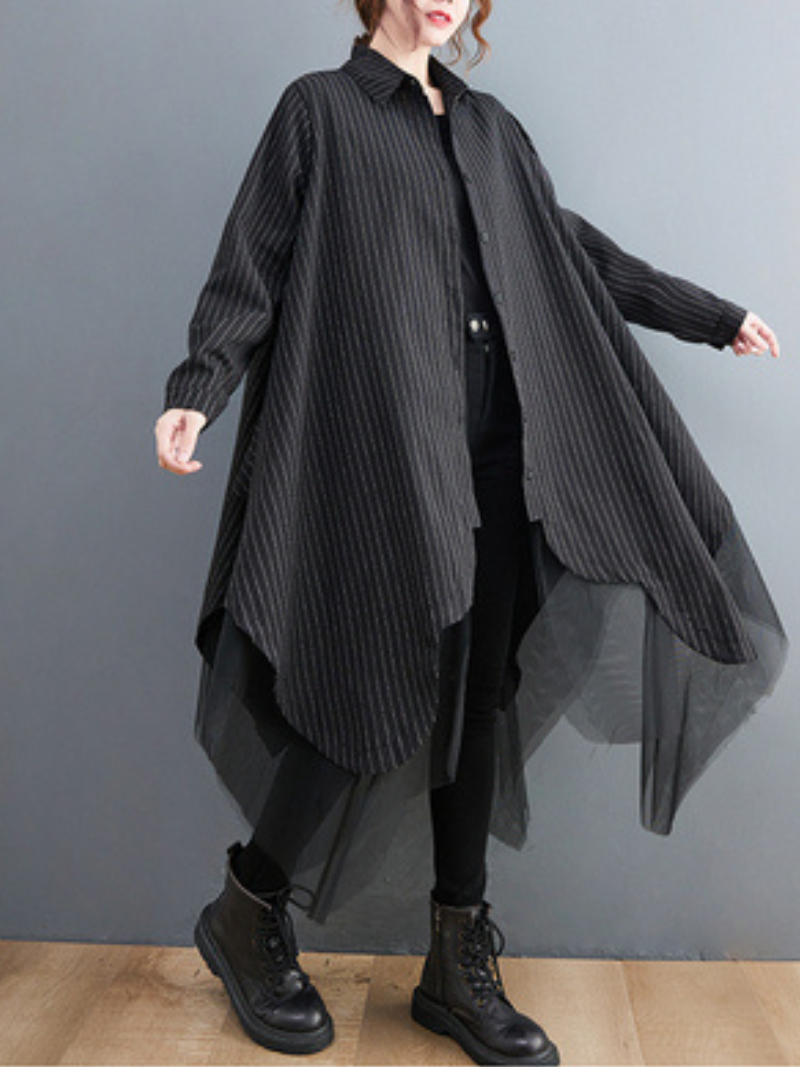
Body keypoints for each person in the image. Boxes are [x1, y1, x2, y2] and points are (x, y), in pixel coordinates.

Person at [153, 2, 786, 1064]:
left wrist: (704, 313)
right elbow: (251, 264)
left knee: (478, 696)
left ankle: (454, 956)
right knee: (362, 675)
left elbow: (564, 250)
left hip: (504, 450)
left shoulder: (491, 126)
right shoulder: (320, 113)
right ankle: (246, 907)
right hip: (387, 451)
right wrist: (196, 387)